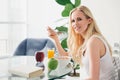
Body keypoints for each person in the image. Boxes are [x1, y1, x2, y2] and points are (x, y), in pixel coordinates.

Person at [47, 5, 115, 80]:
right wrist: (56, 39)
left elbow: (94, 78)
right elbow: (66, 55)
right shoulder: (85, 41)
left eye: (79, 19)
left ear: (89, 20)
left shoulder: (94, 41)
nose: (75, 24)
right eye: (73, 21)